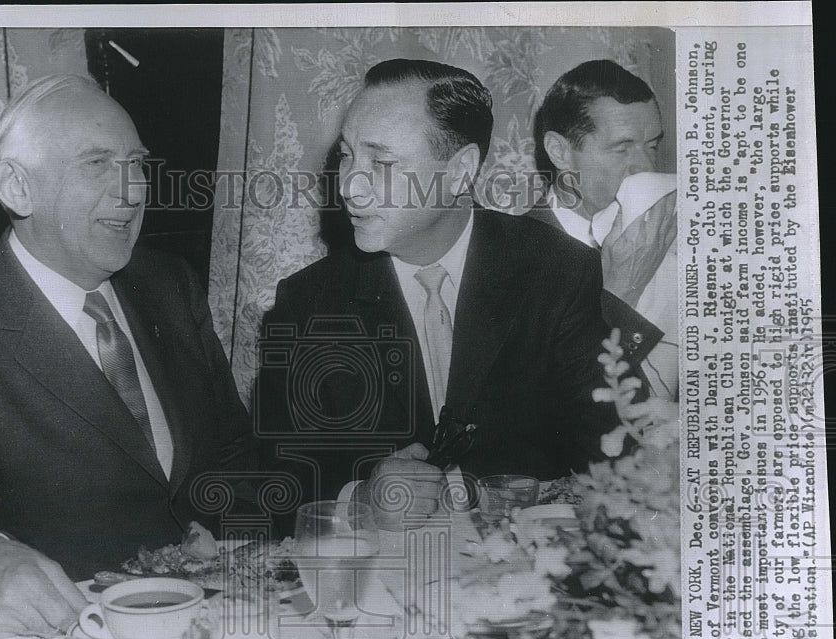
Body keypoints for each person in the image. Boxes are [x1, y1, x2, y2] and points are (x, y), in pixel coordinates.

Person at [0, 75, 258, 638]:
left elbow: (231, 452)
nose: (135, 189)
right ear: (17, 188)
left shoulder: (170, 284)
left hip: (210, 621)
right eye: (98, 163)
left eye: (138, 162)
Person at [254, 59, 621, 532]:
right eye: (346, 155)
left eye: (382, 163)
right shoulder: (307, 302)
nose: (349, 186)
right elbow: (276, 481)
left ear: (460, 169)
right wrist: (360, 499)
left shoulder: (560, 271)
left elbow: (612, 455)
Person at [529, 59, 678, 398]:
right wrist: (621, 294)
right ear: (559, 152)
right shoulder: (508, 257)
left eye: (652, 146)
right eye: (621, 149)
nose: (646, 168)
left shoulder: (676, 231)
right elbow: (552, 414)